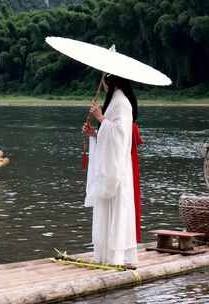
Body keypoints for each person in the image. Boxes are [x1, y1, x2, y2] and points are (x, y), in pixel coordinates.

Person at [82, 74, 141, 266]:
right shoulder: (115, 102)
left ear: (112, 82)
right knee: (106, 208)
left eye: (104, 82)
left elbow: (121, 138)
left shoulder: (122, 103)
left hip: (118, 169)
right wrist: (94, 133)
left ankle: (116, 257)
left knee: (117, 209)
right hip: (111, 164)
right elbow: (110, 134)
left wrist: (100, 117)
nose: (103, 86)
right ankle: (105, 255)